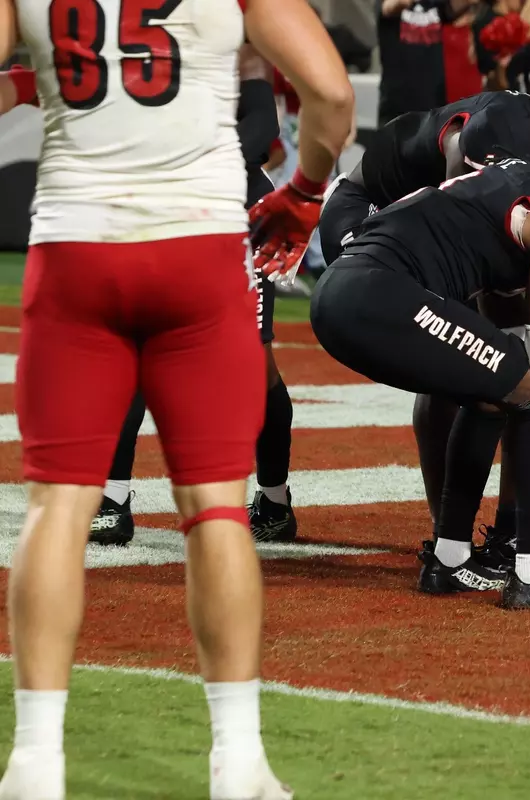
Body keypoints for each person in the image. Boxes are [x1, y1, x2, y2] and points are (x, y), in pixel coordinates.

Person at [0, 0, 353, 796]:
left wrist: (34, 84)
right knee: (216, 511)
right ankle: (237, 763)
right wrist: (303, 193)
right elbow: (329, 93)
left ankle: (34, 764)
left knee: (59, 507)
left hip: (75, 241)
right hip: (197, 247)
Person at [311, 109, 530, 608]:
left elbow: (521, 333)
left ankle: (451, 559)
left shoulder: (522, 183)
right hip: (377, 291)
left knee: (493, 394)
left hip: (353, 290)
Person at [90, 46, 299, 547]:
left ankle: (273, 500)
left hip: (233, 210)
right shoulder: (134, 38)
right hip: (161, 207)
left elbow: (260, 130)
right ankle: (112, 498)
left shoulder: (235, 40)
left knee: (252, 366)